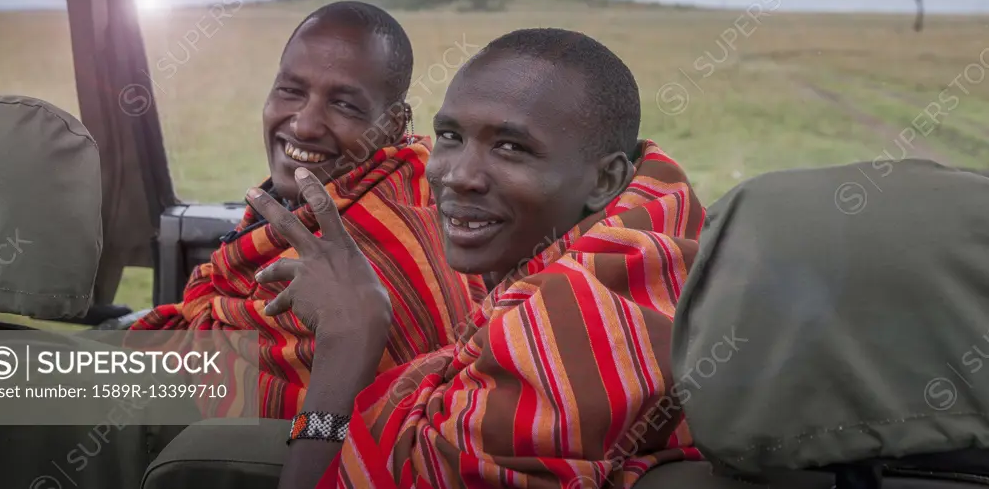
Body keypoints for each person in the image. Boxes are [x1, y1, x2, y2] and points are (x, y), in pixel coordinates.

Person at [250, 28, 707, 488]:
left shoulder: (575, 327)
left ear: (606, 179)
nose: (458, 175)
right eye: (449, 135)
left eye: (511, 147)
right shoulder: (639, 243)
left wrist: (349, 340)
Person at [130, 1, 487, 419]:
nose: (303, 125)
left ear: (392, 125)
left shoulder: (387, 247)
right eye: (291, 90)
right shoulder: (378, 187)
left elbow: (304, 423)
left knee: (43, 388)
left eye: (344, 105)